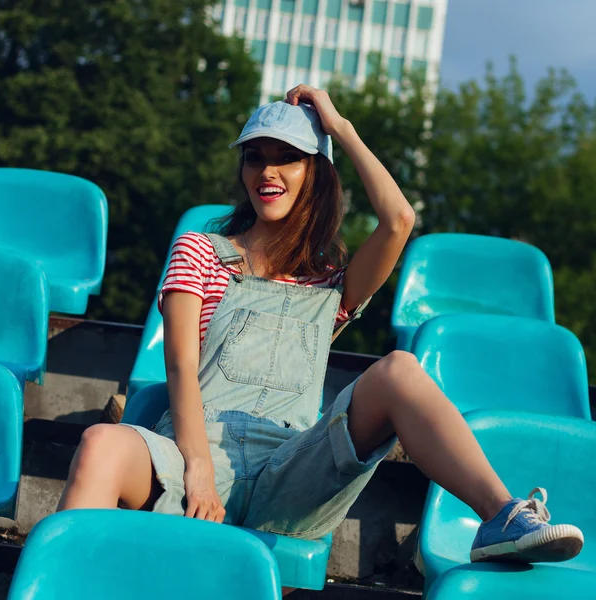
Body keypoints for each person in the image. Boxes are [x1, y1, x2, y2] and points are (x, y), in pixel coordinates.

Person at [58, 84, 583, 568]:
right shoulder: (200, 251)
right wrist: (196, 469)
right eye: (256, 158)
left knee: (399, 370)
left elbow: (399, 220)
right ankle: (66, 578)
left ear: (316, 173)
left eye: (289, 158)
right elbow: (179, 364)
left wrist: (340, 127)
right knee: (102, 442)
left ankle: (502, 516)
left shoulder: (331, 286)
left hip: (292, 469)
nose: (268, 172)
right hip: (194, 450)